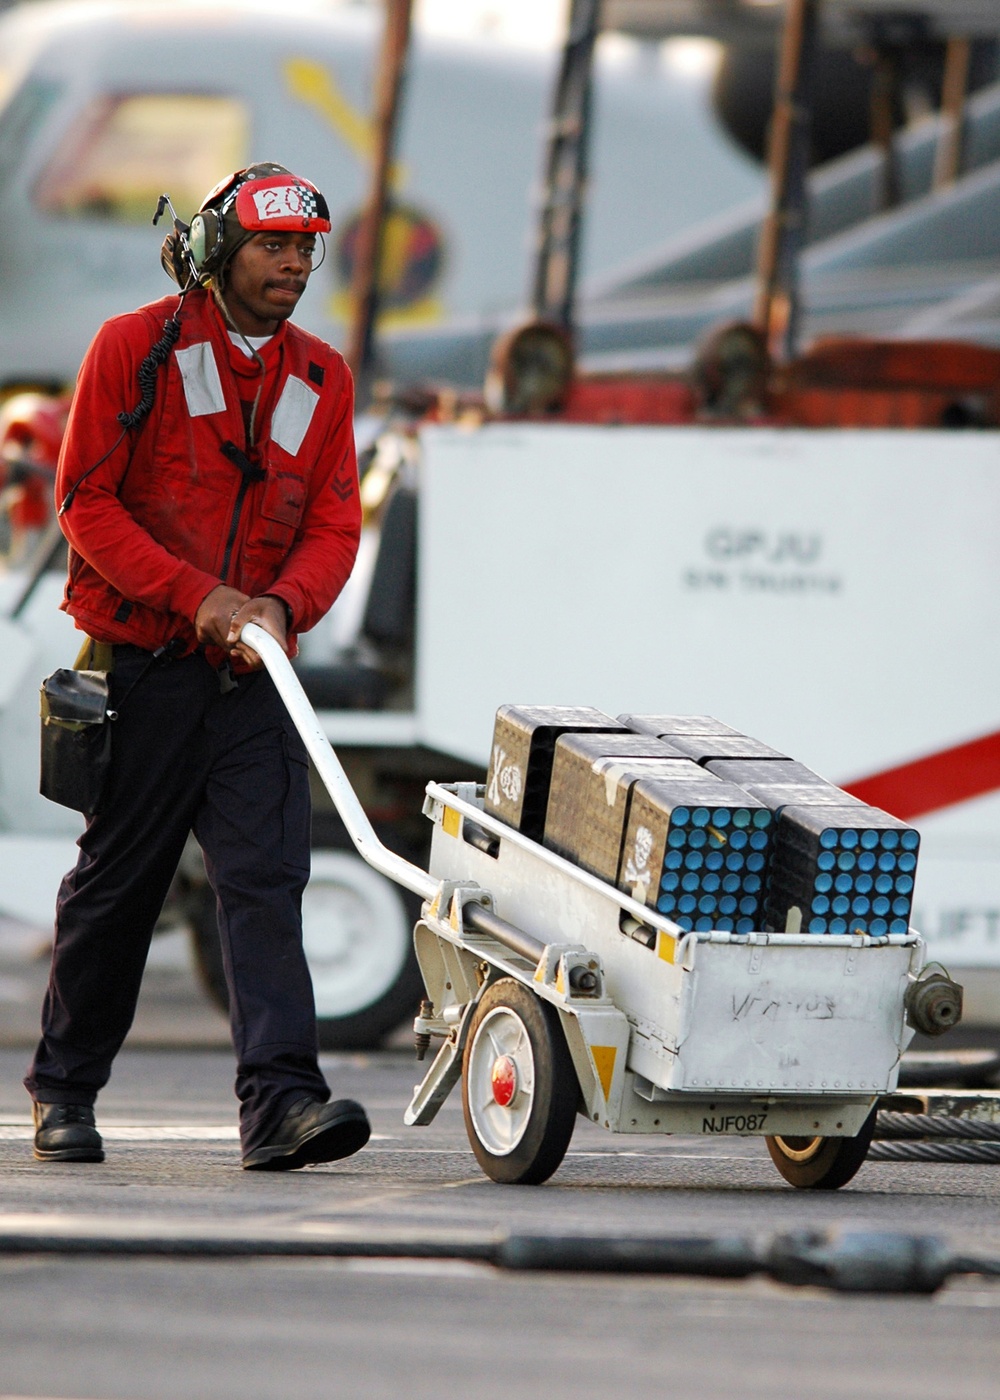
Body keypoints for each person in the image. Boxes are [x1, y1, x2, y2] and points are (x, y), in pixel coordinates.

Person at [25, 162, 371, 1171]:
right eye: (274, 244)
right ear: (220, 248)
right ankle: (64, 1090)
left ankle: (281, 1107)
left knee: (267, 881)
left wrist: (279, 605)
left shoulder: (322, 376)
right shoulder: (133, 349)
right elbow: (85, 501)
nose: (295, 265)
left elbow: (335, 521)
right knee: (119, 885)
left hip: (255, 674)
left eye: (307, 247)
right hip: (144, 668)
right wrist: (199, 596)